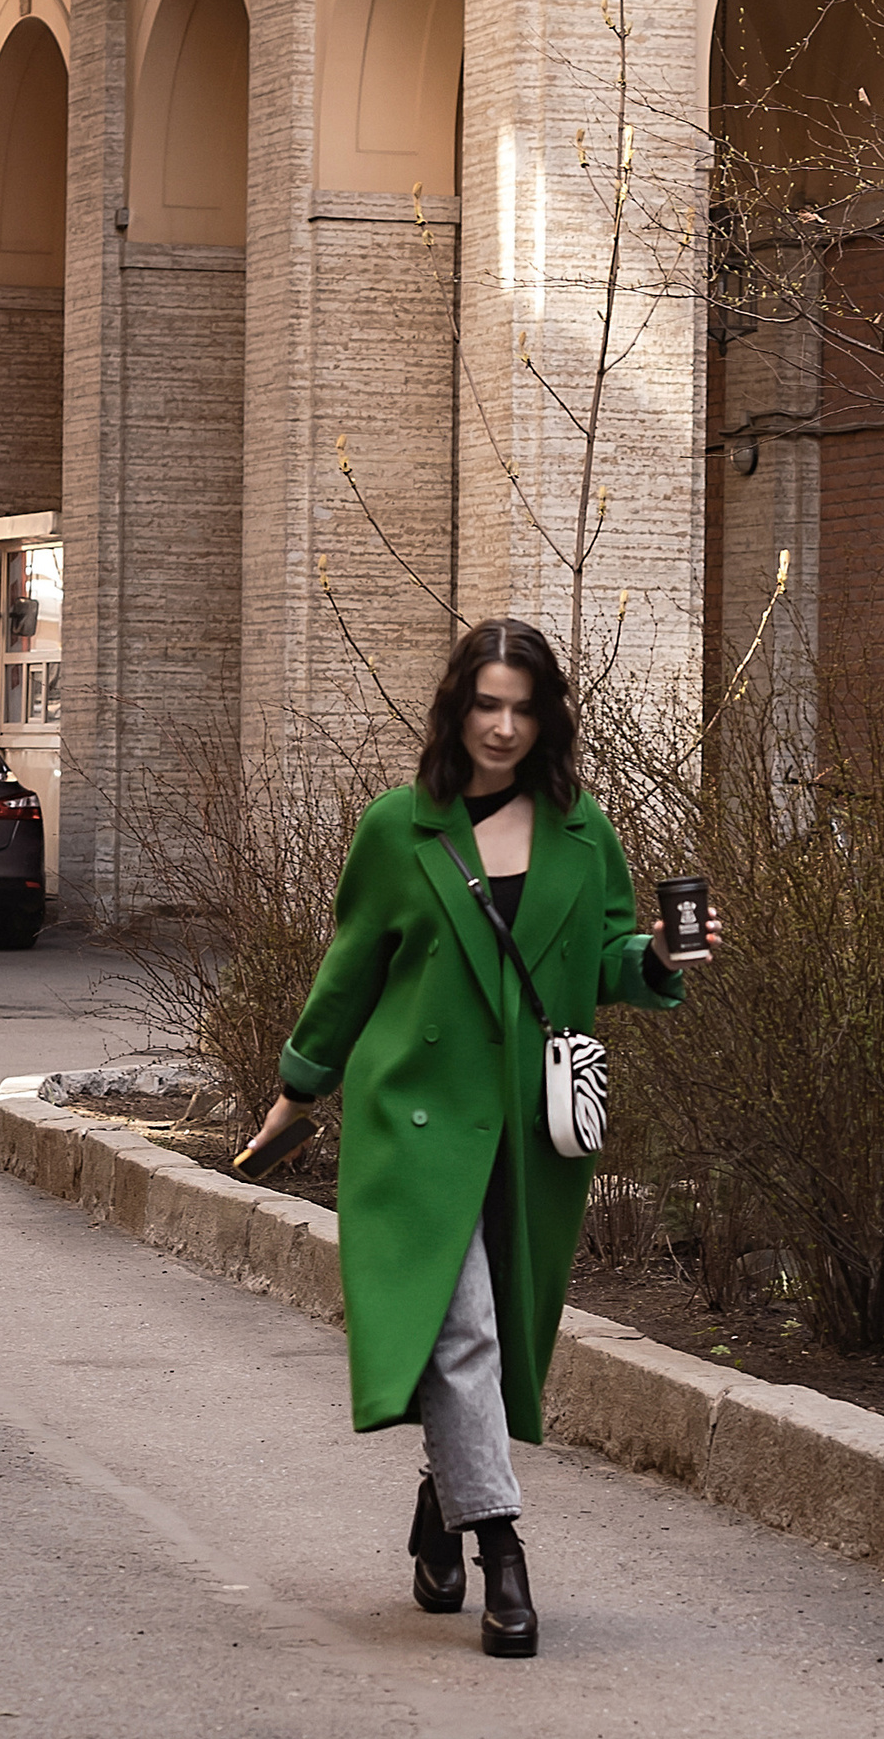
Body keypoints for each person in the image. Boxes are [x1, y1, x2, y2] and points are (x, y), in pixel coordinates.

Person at [236, 617, 715, 1658]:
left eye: (522, 708)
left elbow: (602, 955)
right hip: (413, 1119)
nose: (501, 727)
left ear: (547, 721)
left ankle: (436, 1507)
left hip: (528, 1126)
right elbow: (350, 970)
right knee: (462, 1335)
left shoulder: (582, 831)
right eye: (485, 704)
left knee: (497, 1343)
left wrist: (663, 962)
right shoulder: (399, 827)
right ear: (456, 709)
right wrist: (296, 1090)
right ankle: (504, 1553)